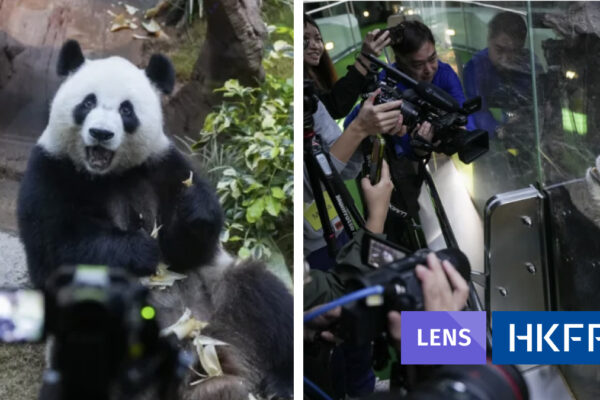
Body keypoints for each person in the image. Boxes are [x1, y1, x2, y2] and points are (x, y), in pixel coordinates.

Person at [304, 13, 390, 119]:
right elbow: (334, 107)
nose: (315, 45)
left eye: (318, 39)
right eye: (304, 39)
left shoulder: (317, 75)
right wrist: (364, 58)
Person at [463, 11, 534, 139]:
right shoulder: (475, 68)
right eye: (499, 49)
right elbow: (478, 112)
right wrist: (501, 131)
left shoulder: (530, 63)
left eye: (514, 51)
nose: (505, 59)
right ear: (489, 39)